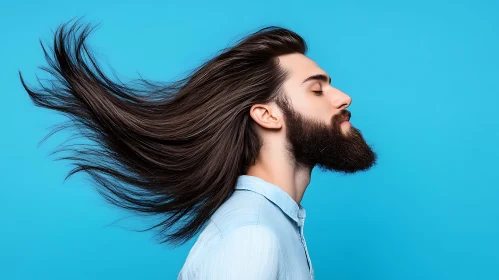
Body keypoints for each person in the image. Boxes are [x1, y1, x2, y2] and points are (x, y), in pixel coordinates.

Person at [20, 19, 377, 280]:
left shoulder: (273, 225)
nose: (343, 98)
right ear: (267, 115)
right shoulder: (252, 238)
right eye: (316, 90)